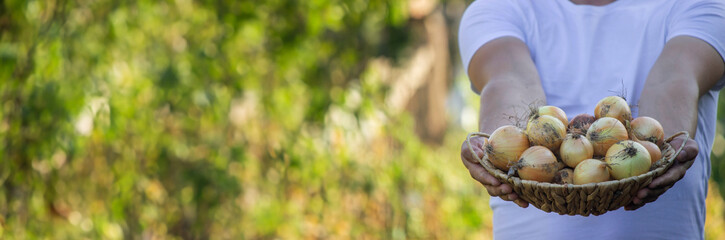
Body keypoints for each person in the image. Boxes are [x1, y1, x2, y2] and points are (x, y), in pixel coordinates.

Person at [458, 0, 725, 239]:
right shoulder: (498, 7)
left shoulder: (699, 3)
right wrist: (497, 148)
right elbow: (509, 81)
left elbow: (674, 79)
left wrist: (660, 155)